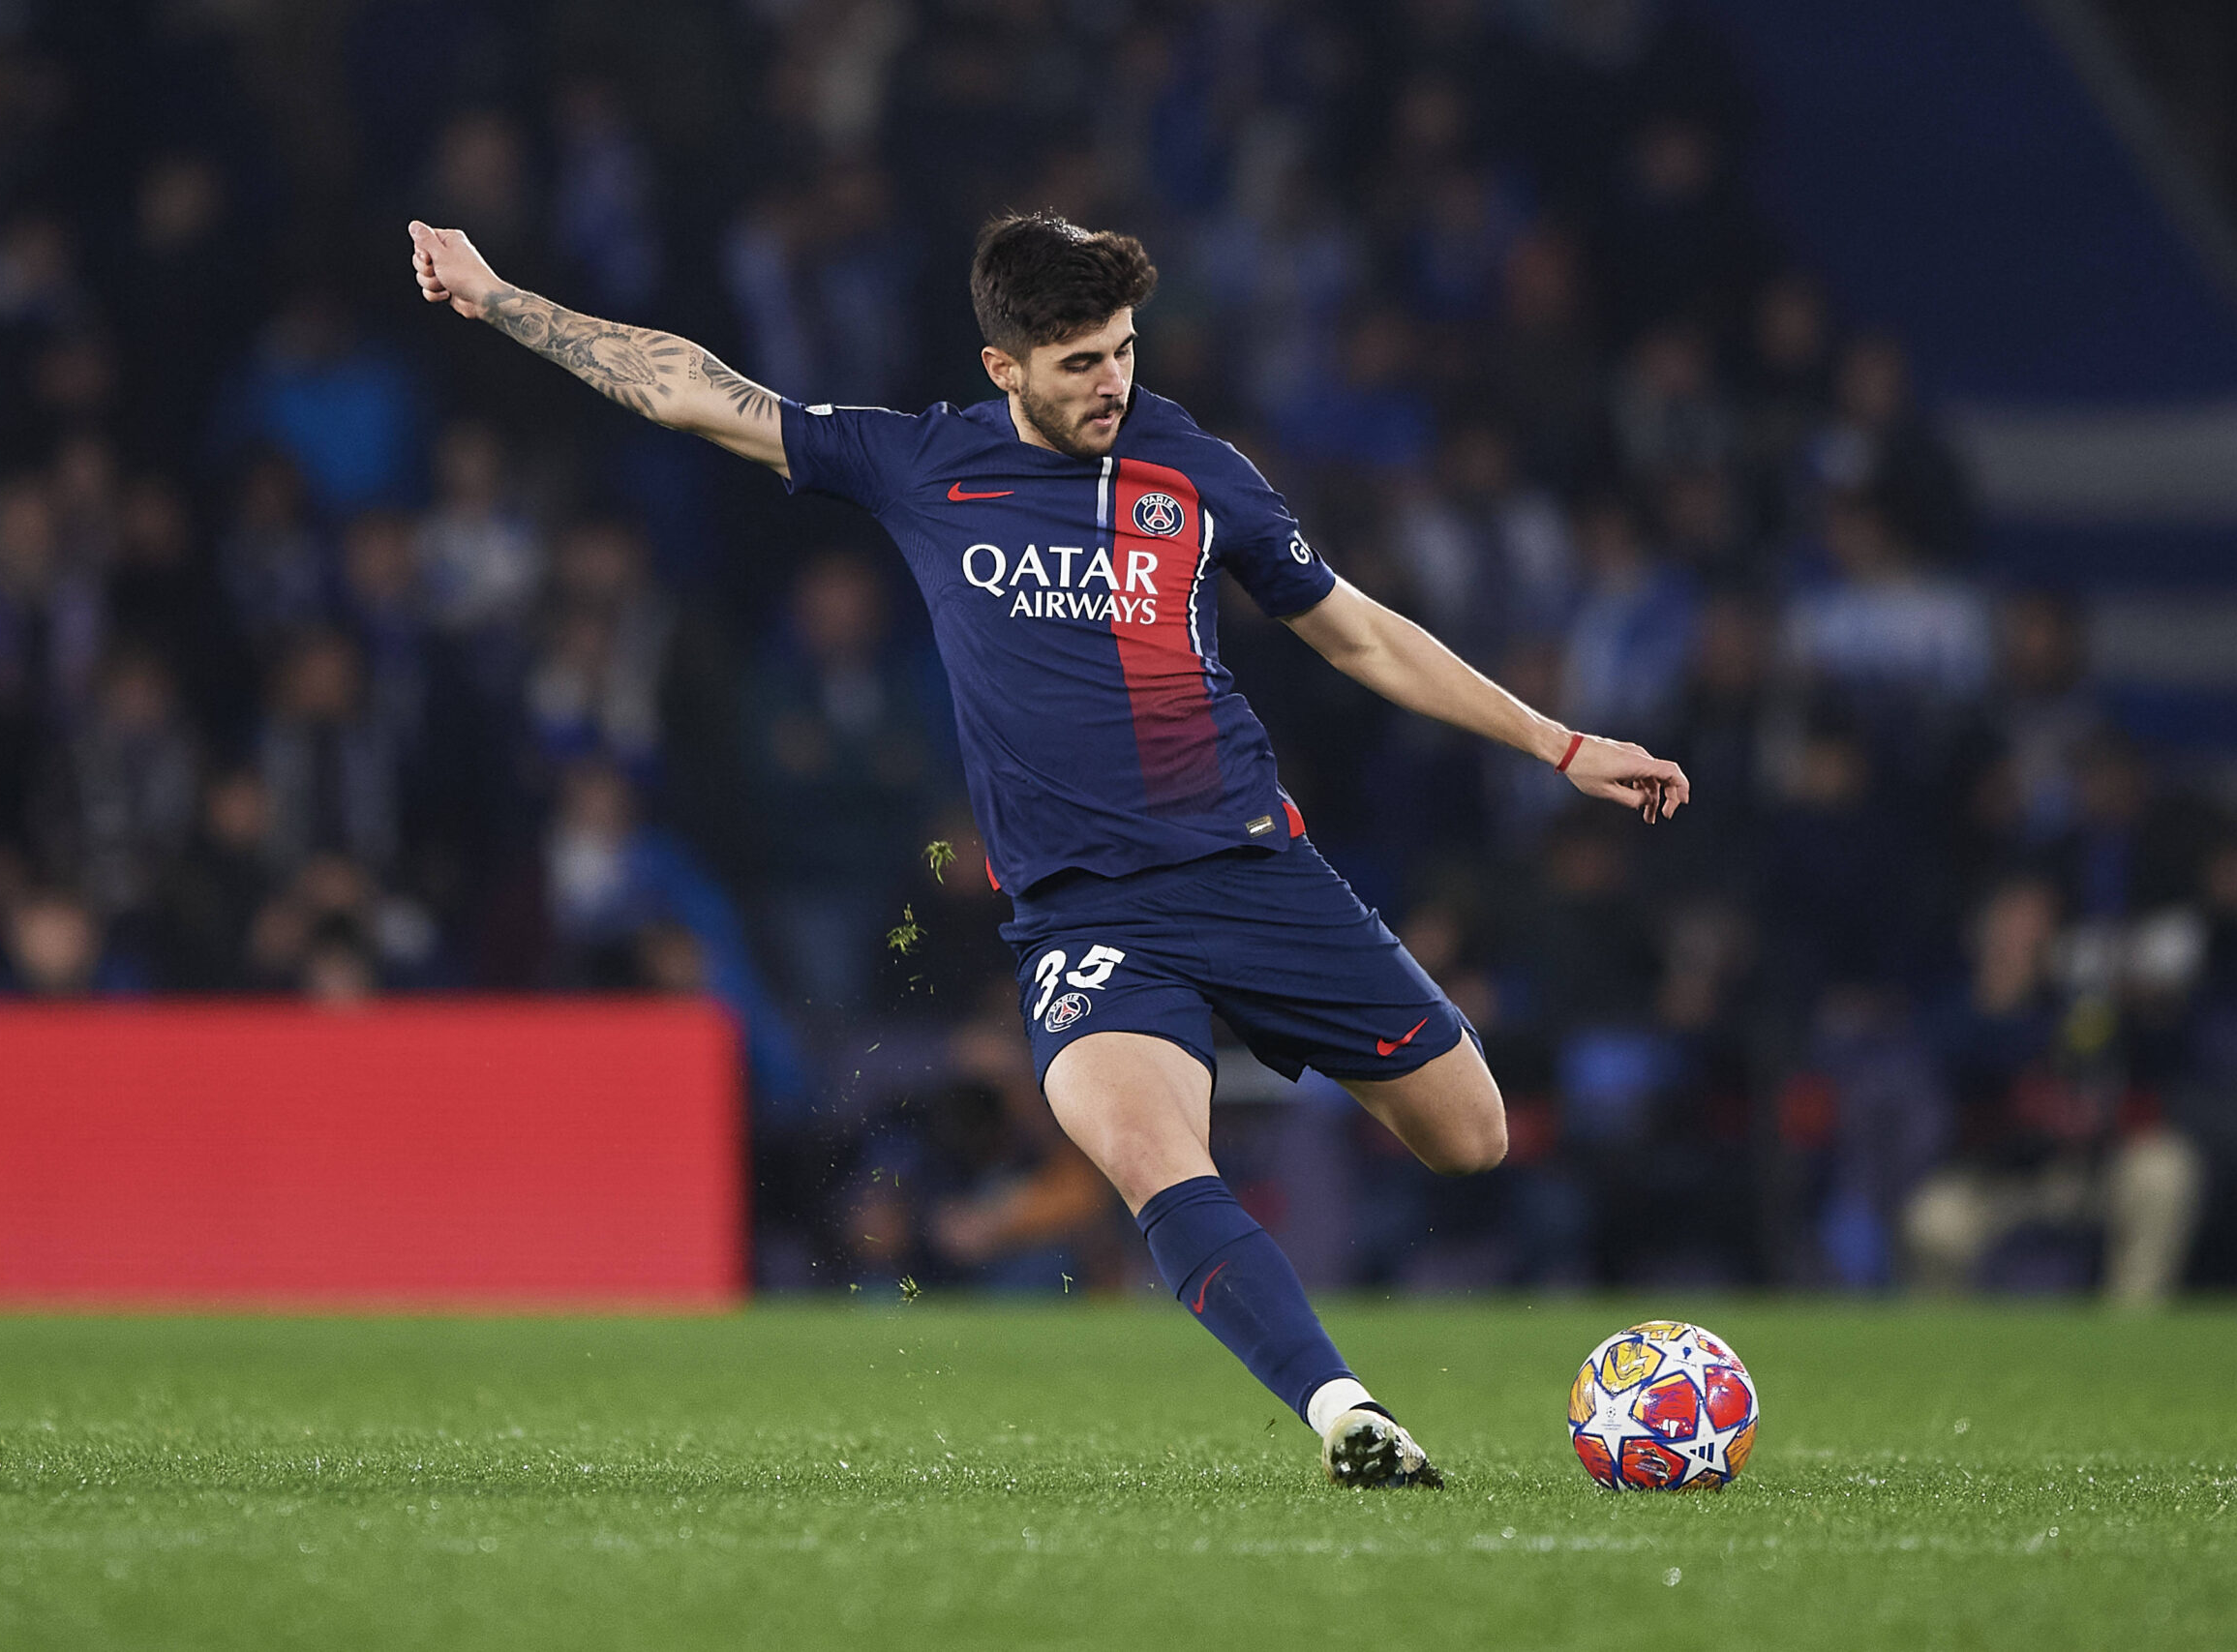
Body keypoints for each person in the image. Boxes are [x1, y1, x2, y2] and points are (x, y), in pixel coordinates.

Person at [408, 209, 1689, 1489]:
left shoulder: (1198, 470)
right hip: (1088, 921)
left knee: (1472, 1137)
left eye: (1124, 351)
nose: (1113, 384)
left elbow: (1356, 633)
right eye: (1080, 362)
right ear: (1002, 366)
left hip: (1256, 875)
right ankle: (1344, 1413)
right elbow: (694, 391)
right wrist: (502, 296)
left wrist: (1558, 743)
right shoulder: (922, 465)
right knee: (1151, 1160)